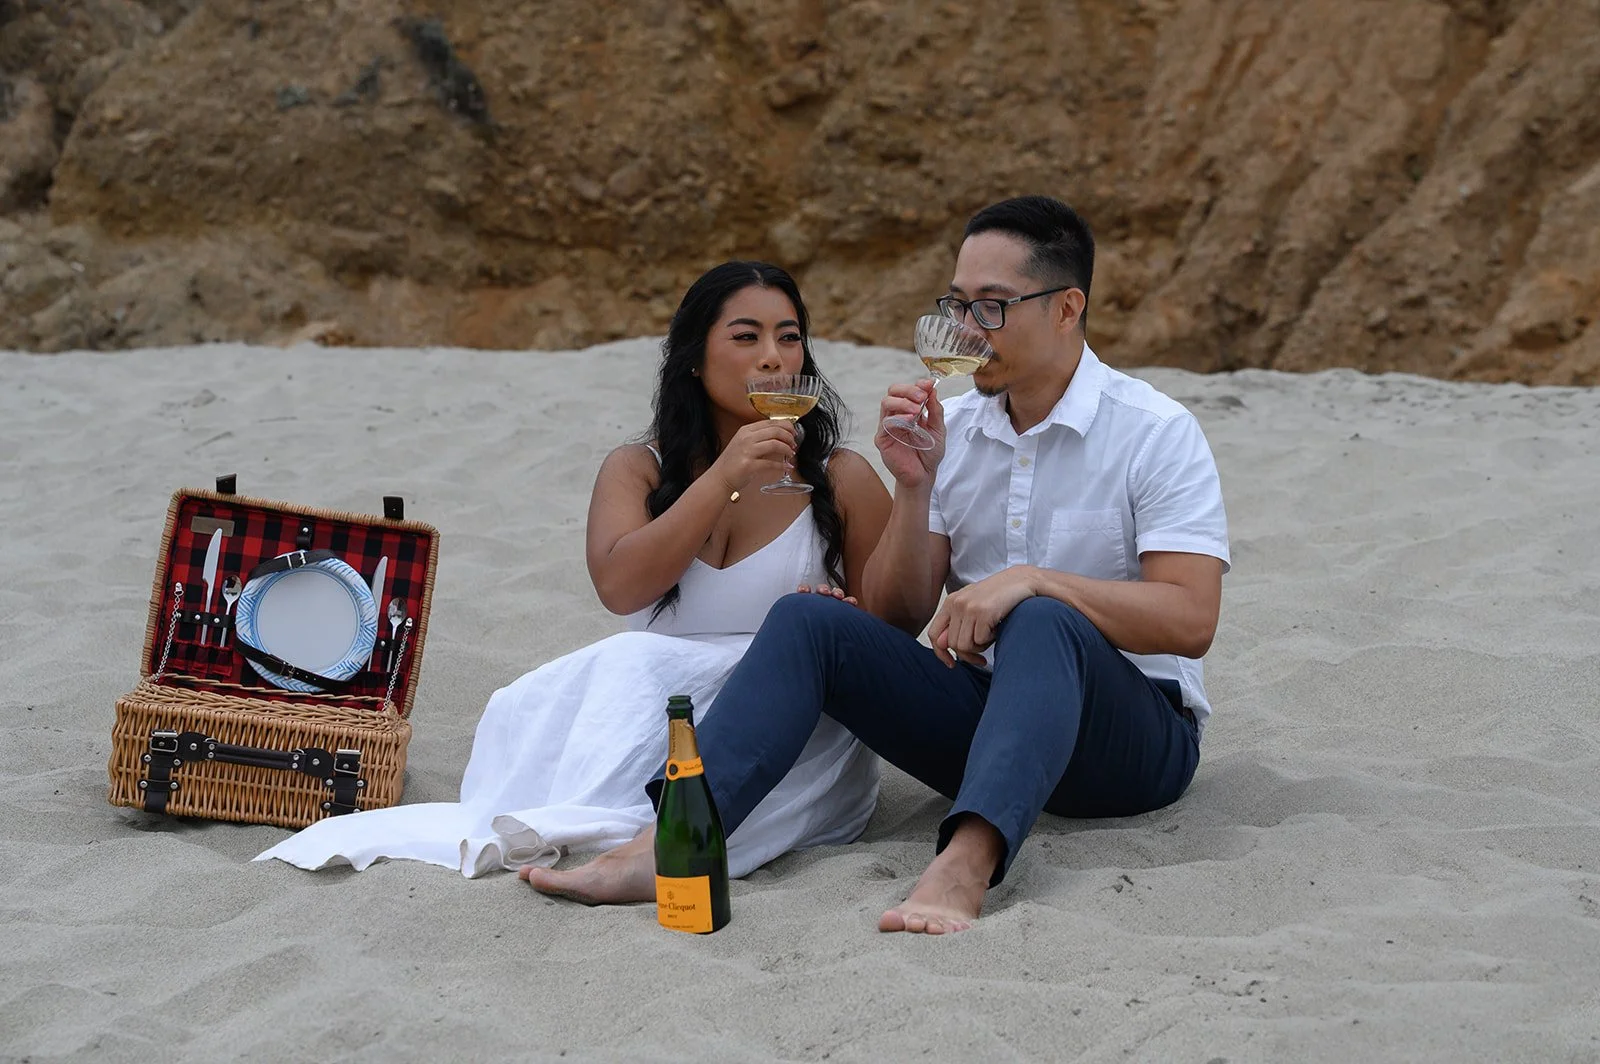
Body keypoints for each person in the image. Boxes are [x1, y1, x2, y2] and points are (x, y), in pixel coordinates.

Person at [523, 195, 1231, 934]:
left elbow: (1191, 619)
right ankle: (664, 846)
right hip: (987, 729)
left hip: (1130, 745)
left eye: (991, 308)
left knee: (1039, 616)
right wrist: (915, 485)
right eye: (957, 305)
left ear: (1066, 308)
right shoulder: (951, 429)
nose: (966, 330)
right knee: (809, 618)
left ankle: (965, 862)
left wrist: (1035, 580)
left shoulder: (1154, 432)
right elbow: (900, 616)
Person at [255, 261, 892, 879]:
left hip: (787, 728)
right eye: (746, 337)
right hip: (664, 710)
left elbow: (894, 630)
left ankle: (659, 841)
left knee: (631, 675)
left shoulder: (841, 478)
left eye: (790, 338)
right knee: (601, 674)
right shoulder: (637, 469)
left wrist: (845, 606)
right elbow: (621, 589)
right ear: (695, 359)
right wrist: (724, 478)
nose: (774, 358)